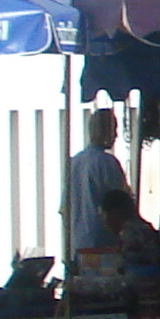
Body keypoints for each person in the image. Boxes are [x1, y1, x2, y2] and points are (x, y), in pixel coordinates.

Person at [65, 108, 132, 260]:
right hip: (104, 246)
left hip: (78, 244)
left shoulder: (74, 162)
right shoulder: (107, 162)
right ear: (104, 131)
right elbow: (122, 205)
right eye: (114, 129)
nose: (116, 135)